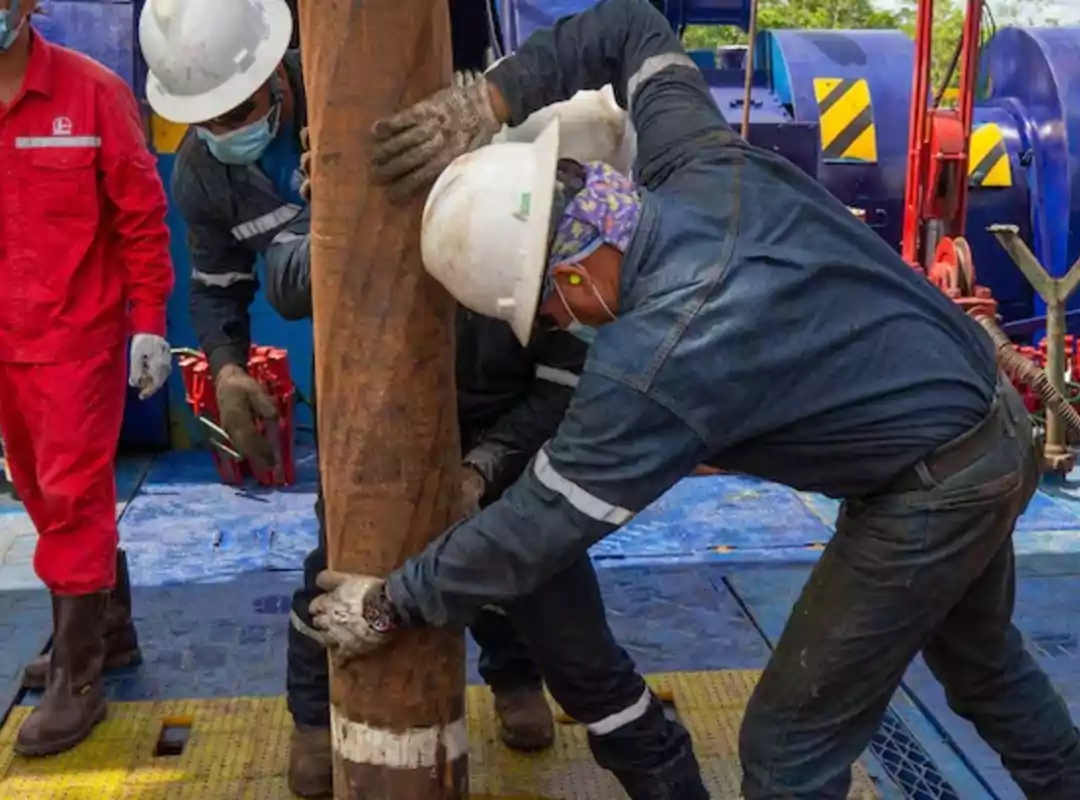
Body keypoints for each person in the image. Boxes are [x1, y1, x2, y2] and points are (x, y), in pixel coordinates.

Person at [307, 1, 1080, 798]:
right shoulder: (697, 163)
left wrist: (389, 604)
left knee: (788, 746)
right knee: (984, 670)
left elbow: (538, 527)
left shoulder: (658, 359)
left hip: (933, 489)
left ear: (575, 272)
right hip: (993, 424)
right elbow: (631, 27)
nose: (554, 326)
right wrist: (486, 101)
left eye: (546, 310)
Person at [138, 0, 677, 796]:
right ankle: (316, 717)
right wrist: (225, 365)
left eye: (241, 109)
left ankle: (516, 677)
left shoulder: (374, 107)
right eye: (207, 118)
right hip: (366, 388)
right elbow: (238, 282)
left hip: (482, 376)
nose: (226, 126)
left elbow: (558, 399)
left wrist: (484, 466)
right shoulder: (206, 172)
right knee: (342, 556)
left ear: (274, 75)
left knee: (512, 553)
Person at [0, 0, 174, 757]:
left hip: (77, 343)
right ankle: (108, 627)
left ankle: (79, 679)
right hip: (6, 345)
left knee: (72, 496)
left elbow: (140, 216)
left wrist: (149, 322)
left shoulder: (93, 93)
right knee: (39, 490)